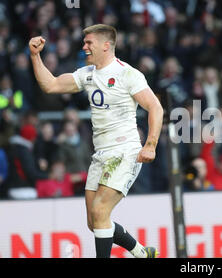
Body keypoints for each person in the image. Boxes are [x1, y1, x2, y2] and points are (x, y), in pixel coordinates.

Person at [29, 24, 164, 258]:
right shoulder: (87, 74)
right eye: (84, 42)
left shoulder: (127, 74)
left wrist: (150, 145)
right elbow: (50, 85)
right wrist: (35, 56)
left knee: (101, 210)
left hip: (125, 151)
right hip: (100, 154)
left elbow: (155, 107)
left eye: (89, 43)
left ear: (106, 45)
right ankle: (143, 253)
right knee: (95, 222)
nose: (84, 47)